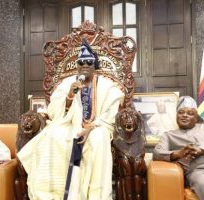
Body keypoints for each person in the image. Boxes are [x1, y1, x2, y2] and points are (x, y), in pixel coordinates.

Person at [17, 39, 124, 200]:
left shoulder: (107, 86)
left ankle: (95, 196)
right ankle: (61, 194)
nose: (85, 65)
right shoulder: (67, 83)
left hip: (98, 127)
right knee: (53, 137)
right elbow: (54, 111)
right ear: (78, 66)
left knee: (98, 139)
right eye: (82, 62)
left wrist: (91, 127)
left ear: (95, 65)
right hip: (69, 124)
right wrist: (69, 96)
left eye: (89, 62)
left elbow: (110, 114)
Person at [153, 96, 204, 200]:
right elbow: (157, 153)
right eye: (181, 112)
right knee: (202, 183)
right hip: (201, 173)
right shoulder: (168, 135)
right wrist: (178, 153)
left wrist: (202, 150)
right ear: (176, 116)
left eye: (190, 113)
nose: (184, 115)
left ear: (196, 118)